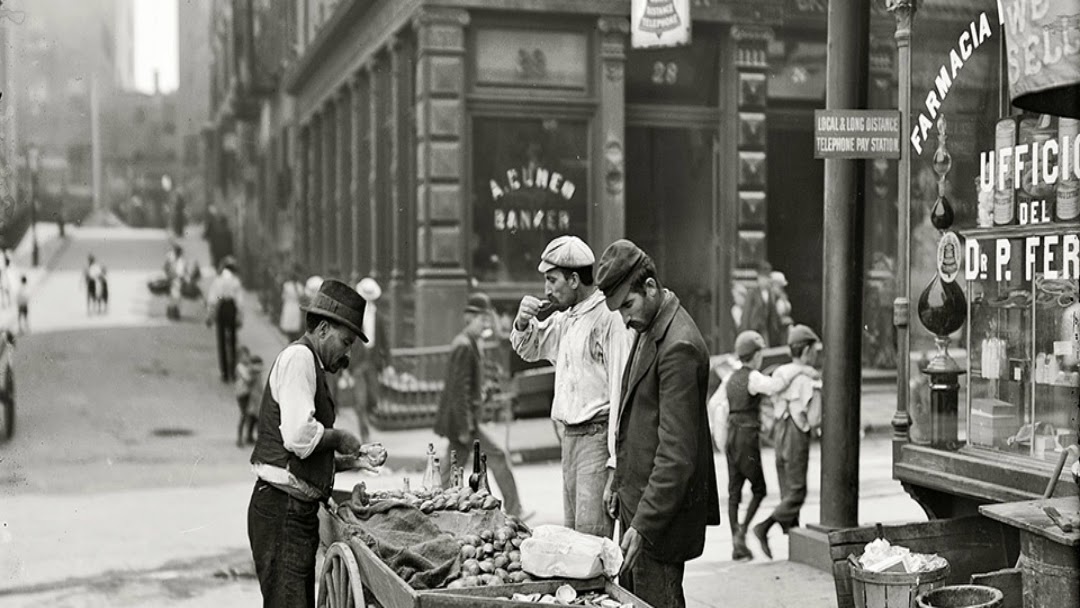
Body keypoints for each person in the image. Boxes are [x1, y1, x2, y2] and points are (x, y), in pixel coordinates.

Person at [595, 239, 720, 608]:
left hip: (657, 521)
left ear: (650, 287)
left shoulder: (679, 346)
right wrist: (618, 480)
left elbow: (676, 455)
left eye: (628, 306)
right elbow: (635, 416)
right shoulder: (650, 324)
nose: (625, 319)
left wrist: (643, 526)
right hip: (640, 507)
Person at [248, 279, 387, 607]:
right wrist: (341, 438)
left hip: (291, 509)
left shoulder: (312, 364)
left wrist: (353, 460)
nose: (348, 354)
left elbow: (304, 456)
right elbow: (298, 438)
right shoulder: (299, 359)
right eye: (345, 341)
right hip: (282, 511)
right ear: (323, 329)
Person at [510, 235, 633, 538]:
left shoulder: (608, 319)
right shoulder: (567, 318)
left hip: (596, 436)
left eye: (552, 280)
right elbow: (530, 347)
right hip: (570, 438)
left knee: (591, 540)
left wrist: (616, 463)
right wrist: (523, 322)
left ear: (575, 279)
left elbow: (621, 392)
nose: (547, 289)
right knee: (574, 538)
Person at [718, 330, 816, 560]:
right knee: (759, 489)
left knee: (734, 490)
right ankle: (744, 531)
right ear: (756, 355)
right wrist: (799, 370)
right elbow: (774, 386)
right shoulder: (753, 377)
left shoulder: (730, 377)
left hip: (731, 436)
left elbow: (717, 404)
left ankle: (736, 542)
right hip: (746, 437)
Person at [434, 292, 525, 518]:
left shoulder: (471, 343)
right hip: (464, 423)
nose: (485, 324)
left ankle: (436, 509)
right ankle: (514, 511)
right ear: (468, 319)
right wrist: (465, 428)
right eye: (481, 319)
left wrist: (483, 392)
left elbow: (468, 387)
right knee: (496, 457)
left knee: (452, 469)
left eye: (487, 319)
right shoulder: (464, 345)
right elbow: (458, 391)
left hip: (464, 421)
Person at [752, 325, 822, 558]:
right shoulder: (805, 379)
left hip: (779, 435)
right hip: (794, 434)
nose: (816, 355)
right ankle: (764, 527)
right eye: (814, 350)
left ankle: (794, 544)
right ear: (806, 351)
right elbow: (813, 419)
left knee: (786, 492)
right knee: (797, 492)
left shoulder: (781, 373)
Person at [351, 277, 389, 443]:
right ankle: (365, 434)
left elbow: (384, 340)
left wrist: (388, 363)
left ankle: (366, 417)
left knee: (373, 399)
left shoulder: (378, 316)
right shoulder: (354, 316)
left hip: (373, 361)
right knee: (360, 401)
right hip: (358, 362)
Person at [207, 256, 244, 383]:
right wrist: (240, 315)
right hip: (231, 307)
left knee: (221, 340)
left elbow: (213, 298)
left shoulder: (218, 280)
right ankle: (233, 372)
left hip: (222, 307)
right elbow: (240, 300)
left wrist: (211, 314)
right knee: (233, 340)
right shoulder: (235, 281)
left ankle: (224, 373)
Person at [739, 261, 783, 347]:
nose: (765, 281)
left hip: (766, 331)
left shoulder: (771, 294)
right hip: (754, 330)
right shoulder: (752, 293)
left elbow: (773, 315)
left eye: (767, 278)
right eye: (763, 278)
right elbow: (746, 315)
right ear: (758, 278)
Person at [279, 267, 305, 342]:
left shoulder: (286, 286)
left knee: (289, 324)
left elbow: (283, 297)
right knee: (295, 325)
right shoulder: (299, 286)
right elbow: (302, 296)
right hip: (296, 306)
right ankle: (294, 339)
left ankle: (290, 339)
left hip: (288, 306)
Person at [770, 271, 794, 345]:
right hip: (777, 330)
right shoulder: (770, 299)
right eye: (778, 286)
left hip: (785, 329)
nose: (780, 289)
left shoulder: (783, 297)